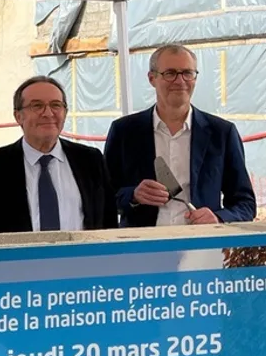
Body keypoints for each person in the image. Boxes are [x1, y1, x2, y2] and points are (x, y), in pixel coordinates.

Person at [103, 44, 256, 227]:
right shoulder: (124, 131)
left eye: (187, 73)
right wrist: (133, 195)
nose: (180, 80)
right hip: (141, 246)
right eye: (170, 73)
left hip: (200, 246)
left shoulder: (222, 133)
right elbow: (102, 198)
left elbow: (245, 204)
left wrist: (219, 217)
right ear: (152, 78)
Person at [0, 76, 118, 234]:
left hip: (84, 258)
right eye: (37, 106)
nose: (48, 113)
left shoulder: (90, 160)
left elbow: (109, 224)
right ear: (18, 116)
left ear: (65, 113)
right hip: (17, 259)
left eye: (56, 105)